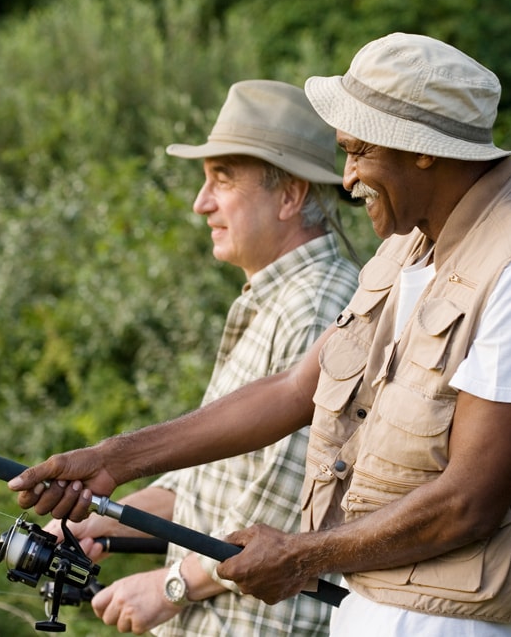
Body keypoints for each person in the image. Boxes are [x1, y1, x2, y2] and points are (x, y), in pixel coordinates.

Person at [13, 33, 511, 636]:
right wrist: (114, 460)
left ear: (422, 150)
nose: (347, 179)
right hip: (373, 608)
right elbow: (295, 389)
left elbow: (469, 500)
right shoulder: (406, 248)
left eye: (358, 151)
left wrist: (301, 556)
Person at [45, 79, 359, 636]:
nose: (201, 203)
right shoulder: (275, 302)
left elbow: (289, 510)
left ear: (289, 197)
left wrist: (171, 587)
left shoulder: (316, 308)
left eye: (222, 180)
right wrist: (95, 522)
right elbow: (201, 496)